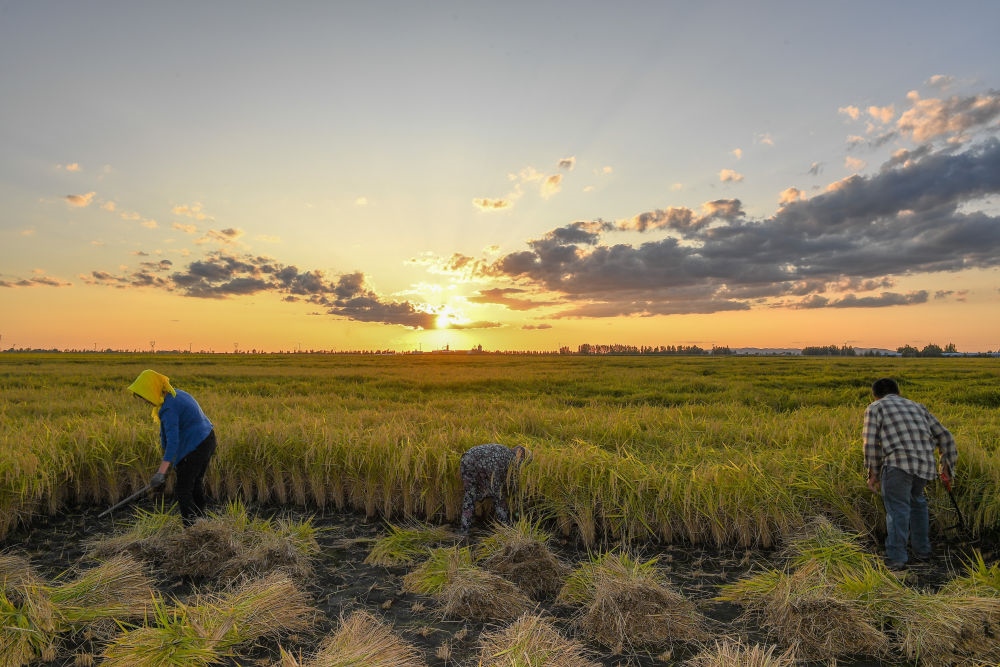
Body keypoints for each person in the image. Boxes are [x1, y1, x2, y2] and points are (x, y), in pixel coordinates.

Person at [863, 377, 957, 569]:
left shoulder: (875, 407)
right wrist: (946, 466)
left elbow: (870, 443)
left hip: (897, 464)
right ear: (898, 392)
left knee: (898, 510)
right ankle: (923, 552)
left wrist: (873, 473)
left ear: (875, 395)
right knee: (917, 503)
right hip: (924, 466)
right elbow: (945, 436)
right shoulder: (917, 407)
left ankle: (897, 559)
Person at [129, 369, 217, 526]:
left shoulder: (169, 408)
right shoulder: (175, 394)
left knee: (183, 490)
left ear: (152, 390)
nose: (146, 401)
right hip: (208, 439)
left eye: (145, 396)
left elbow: (173, 443)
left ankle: (191, 529)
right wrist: (166, 469)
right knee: (194, 482)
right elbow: (166, 437)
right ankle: (202, 523)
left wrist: (161, 473)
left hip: (197, 445)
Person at [458, 443, 530, 534]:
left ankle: (464, 531)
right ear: (522, 457)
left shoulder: (503, 449)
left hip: (466, 458)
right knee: (499, 497)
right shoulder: (510, 458)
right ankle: (506, 530)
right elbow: (507, 483)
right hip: (488, 465)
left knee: (469, 495)